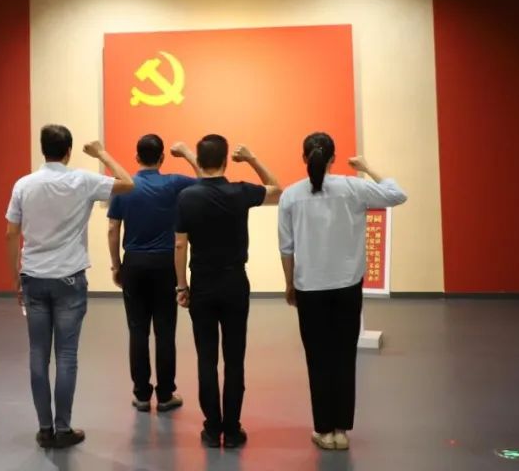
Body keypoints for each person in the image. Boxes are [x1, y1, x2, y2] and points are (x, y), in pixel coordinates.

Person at [5, 124, 135, 449]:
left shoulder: (23, 185)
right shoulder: (83, 180)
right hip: (69, 278)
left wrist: (15, 276)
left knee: (37, 353)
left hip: (33, 277)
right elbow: (128, 183)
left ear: (43, 149)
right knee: (66, 354)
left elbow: (11, 233)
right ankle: (63, 428)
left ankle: (44, 428)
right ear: (68, 151)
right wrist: (101, 153)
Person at [278, 132, 407, 451]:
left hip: (310, 289)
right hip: (348, 287)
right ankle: (341, 431)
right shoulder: (353, 187)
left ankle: (323, 430)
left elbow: (286, 247)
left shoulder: (291, 195)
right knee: (344, 358)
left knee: (318, 359)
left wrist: (290, 284)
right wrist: (367, 167)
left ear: (304, 158)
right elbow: (397, 194)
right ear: (333, 159)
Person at [174, 136, 280, 448]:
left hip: (202, 284)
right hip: (235, 282)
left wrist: (181, 286)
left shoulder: (186, 197)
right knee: (234, 360)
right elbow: (276, 189)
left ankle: (212, 429)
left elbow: (179, 244)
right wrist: (251, 158)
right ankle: (232, 430)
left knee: (206, 359)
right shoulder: (240, 192)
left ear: (199, 161)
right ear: (225, 161)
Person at [107, 134, 199, 413]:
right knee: (165, 332)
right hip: (165, 264)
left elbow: (113, 229)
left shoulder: (124, 186)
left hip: (134, 264)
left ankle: (142, 396)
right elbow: (207, 180)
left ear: (137, 157)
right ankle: (166, 394)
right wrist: (187, 153)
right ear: (162, 158)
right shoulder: (174, 183)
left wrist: (116, 266)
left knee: (137, 330)